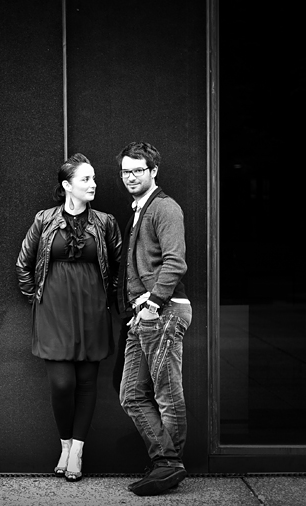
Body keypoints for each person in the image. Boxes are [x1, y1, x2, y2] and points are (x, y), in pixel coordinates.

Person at [16, 153, 121, 482]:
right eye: (85, 179)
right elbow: (23, 264)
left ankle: (76, 450)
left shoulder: (105, 222)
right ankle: (64, 443)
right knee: (63, 384)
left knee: (87, 384)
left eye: (94, 178)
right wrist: (37, 299)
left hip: (93, 313)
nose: (93, 184)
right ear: (67, 185)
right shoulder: (44, 219)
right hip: (53, 314)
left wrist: (107, 299)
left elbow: (120, 265)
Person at [115, 141, 192, 496]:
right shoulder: (139, 210)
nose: (131, 177)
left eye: (138, 170)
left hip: (163, 310)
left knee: (166, 393)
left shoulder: (164, 208)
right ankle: (165, 460)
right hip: (144, 314)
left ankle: (168, 465)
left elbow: (175, 262)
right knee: (132, 394)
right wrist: (138, 310)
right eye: (125, 171)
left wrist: (153, 305)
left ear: (153, 171)